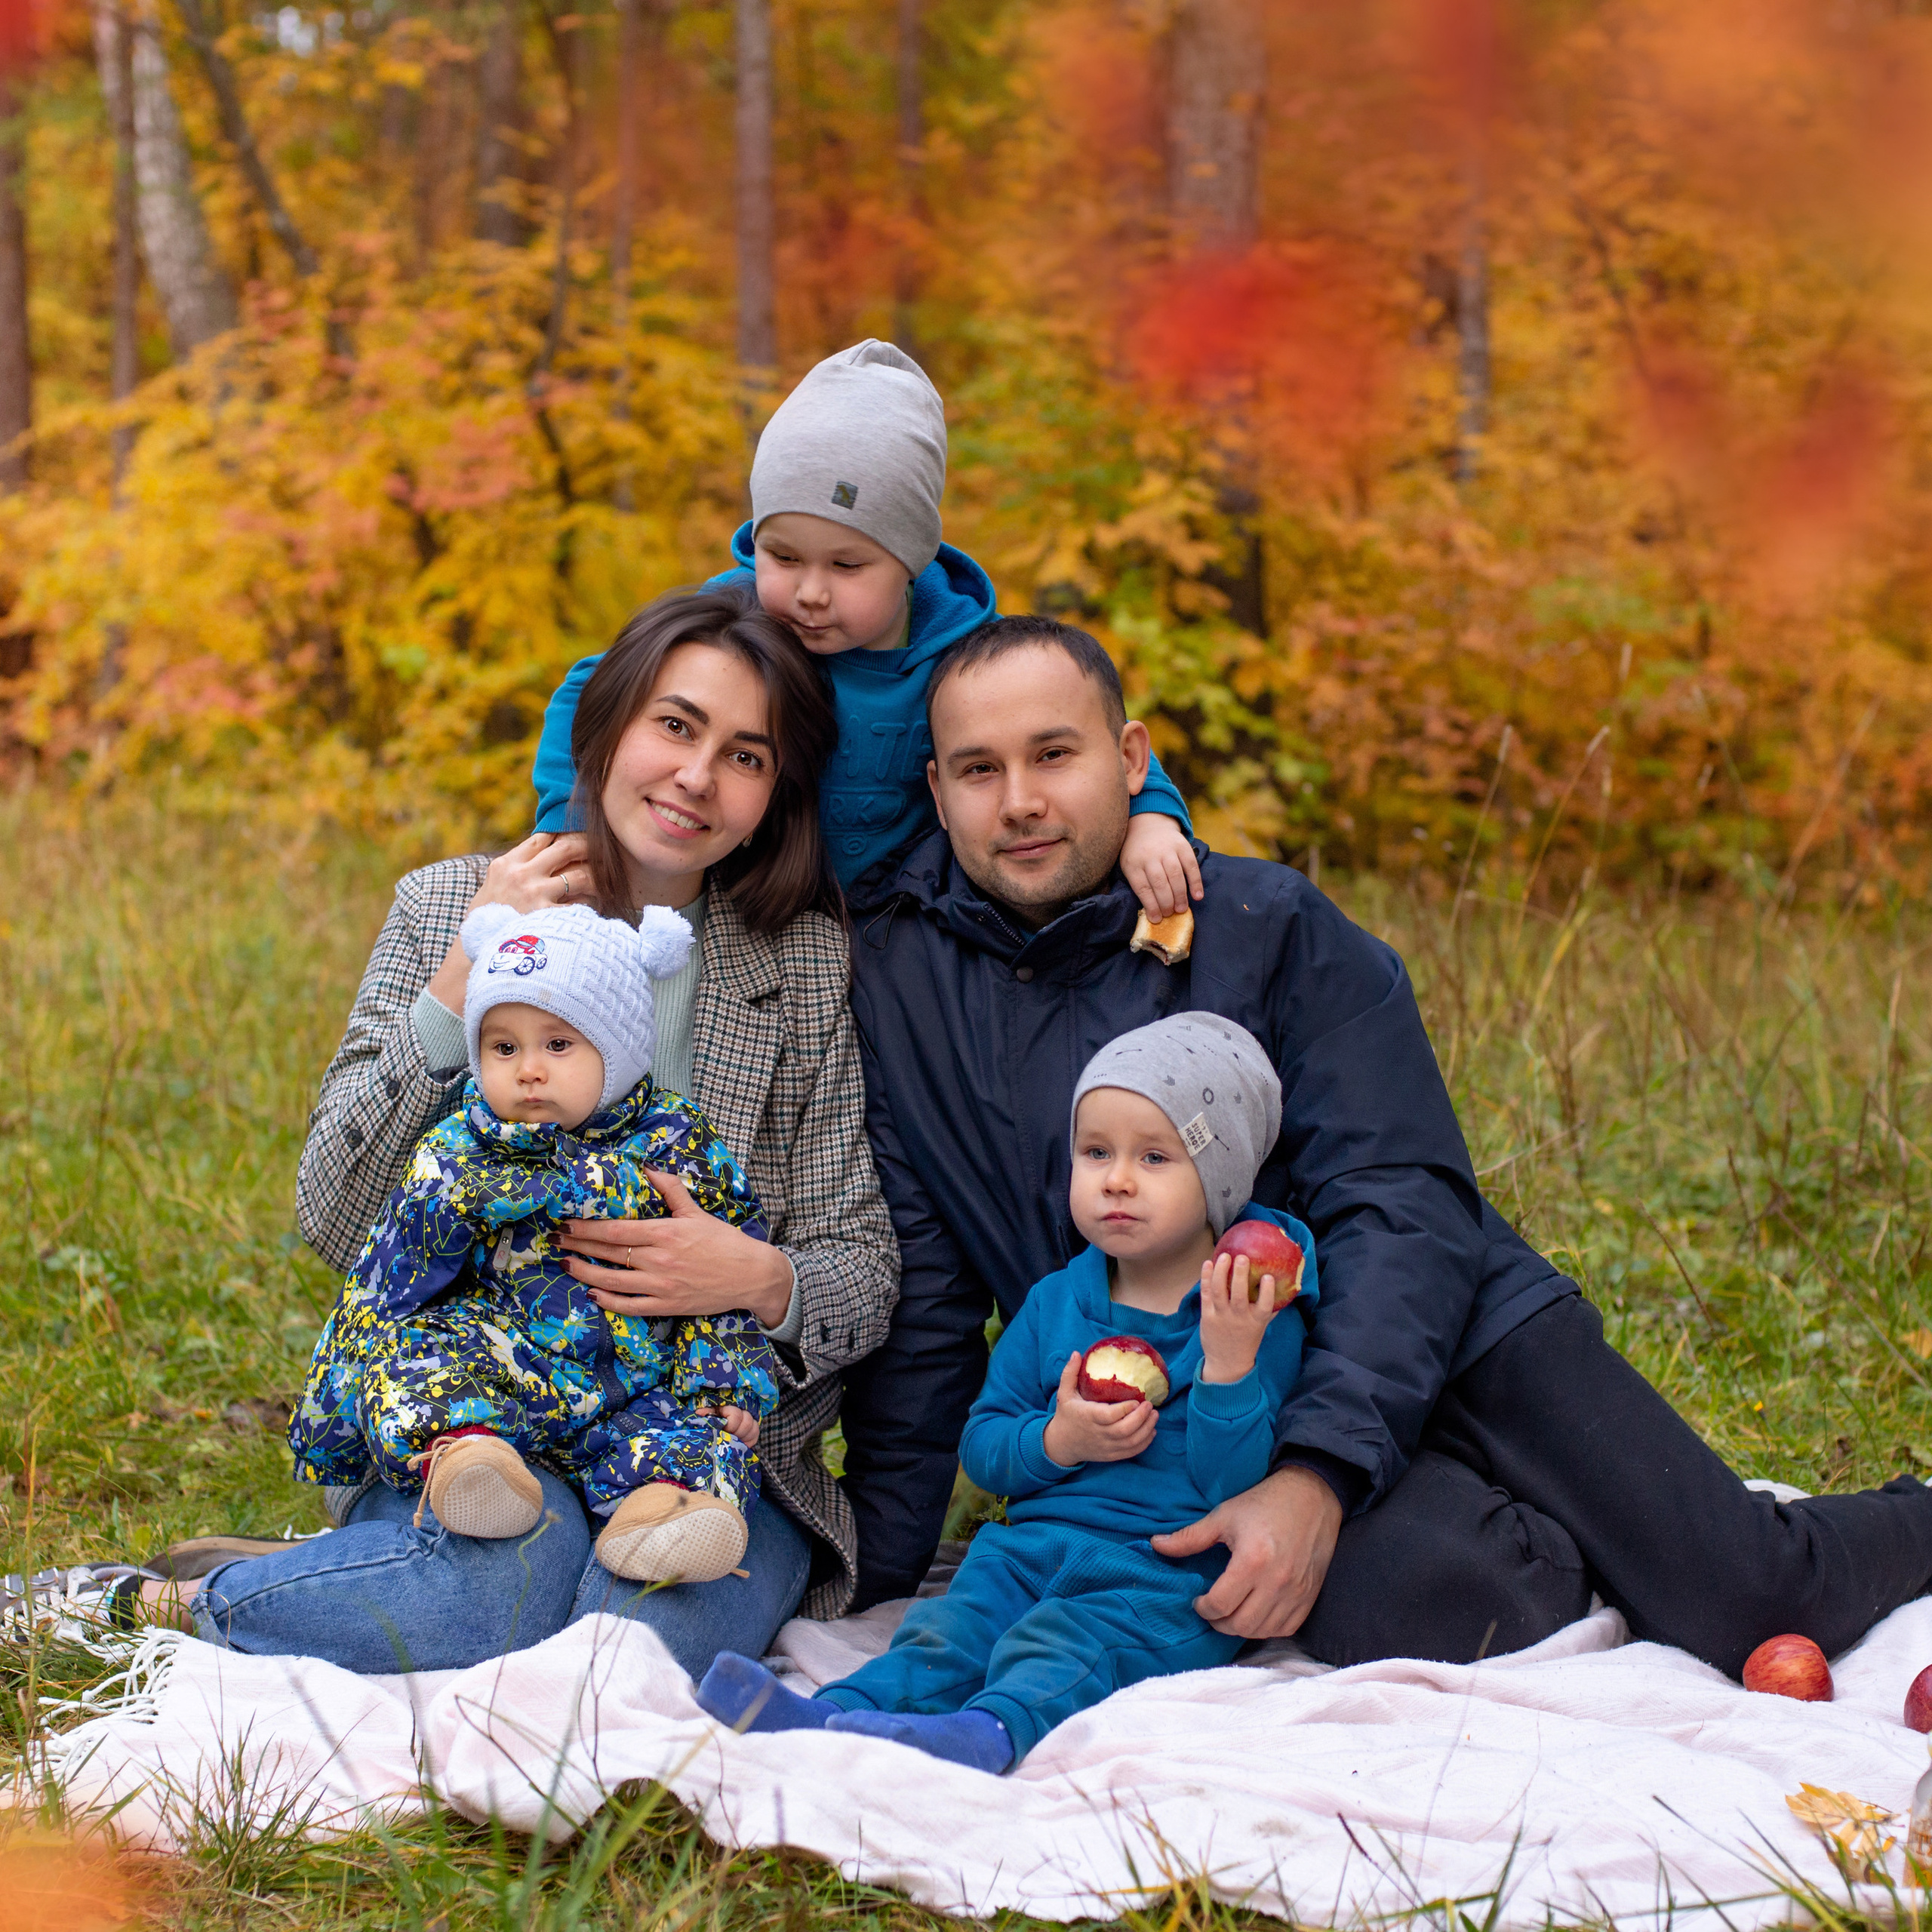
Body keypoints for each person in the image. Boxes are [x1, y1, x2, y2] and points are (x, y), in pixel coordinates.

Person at [836, 611, 1932, 1680]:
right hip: (1218, 1406)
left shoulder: (1263, 924)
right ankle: (1524, 1528)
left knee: (1747, 1601)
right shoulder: (898, 984)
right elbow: (928, 1298)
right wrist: (872, 1575)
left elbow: (1397, 1200)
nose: (1020, 801)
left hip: (1449, 1329)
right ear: (936, 791)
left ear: (1131, 759)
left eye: (1054, 754)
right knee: (1451, 1601)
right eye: (978, 770)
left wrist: (1320, 1472)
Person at [5, 586, 899, 1675]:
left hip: (703, 1451)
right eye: (675, 725)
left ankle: (360, 1580)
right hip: (475, 1421)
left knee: (629, 1654)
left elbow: (863, 1261)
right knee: (499, 1602)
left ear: (775, 795)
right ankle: (152, 1605)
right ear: (608, 727)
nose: (698, 776)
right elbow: (334, 1213)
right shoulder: (447, 908)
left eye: (747, 756)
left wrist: (759, 1277)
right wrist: (461, 981)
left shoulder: (798, 965)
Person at [694, 1015, 1318, 1773]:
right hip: (1028, 1548)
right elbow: (987, 1450)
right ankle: (839, 1712)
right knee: (952, 1624)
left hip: (1160, 1573)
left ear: (1219, 1178)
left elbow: (1234, 1486)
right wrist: (1059, 1442)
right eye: (1096, 1152)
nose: (1116, 1178)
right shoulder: (1057, 1301)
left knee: (1068, 1642)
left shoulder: (1248, 1312)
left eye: (1154, 1156)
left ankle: (985, 1734)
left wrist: (1226, 1365)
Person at [528, 339, 1204, 919]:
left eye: (848, 565)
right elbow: (591, 692)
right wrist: (573, 826)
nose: (811, 593)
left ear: (910, 562)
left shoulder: (962, 653)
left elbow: (1082, 727)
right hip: (748, 909)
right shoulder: (735, 626)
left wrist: (1152, 817)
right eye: (784, 557)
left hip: (908, 926)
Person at [290, 898, 783, 1586]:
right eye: (503, 1047)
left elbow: (722, 1276)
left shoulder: (678, 1148)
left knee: (700, 1443)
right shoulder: (463, 1147)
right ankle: (469, 1463)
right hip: (505, 1365)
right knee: (420, 1354)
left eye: (558, 1045)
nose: (528, 1070)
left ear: (618, 1053)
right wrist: (343, 1397)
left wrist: (722, 1387)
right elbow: (386, 1283)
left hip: (637, 1384)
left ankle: (663, 1515)